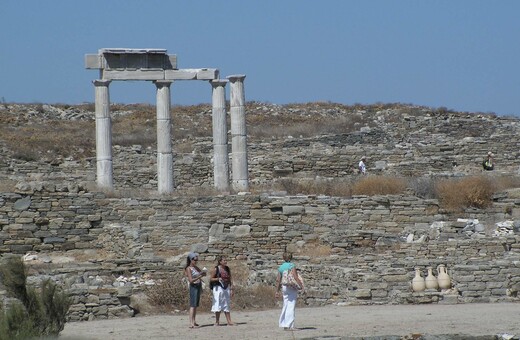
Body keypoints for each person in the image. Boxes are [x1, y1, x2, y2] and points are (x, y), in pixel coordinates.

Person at [275, 252, 304, 331]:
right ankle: (290, 325)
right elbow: (295, 276)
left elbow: (278, 280)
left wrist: (277, 291)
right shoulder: (292, 266)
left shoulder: (281, 267)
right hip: (291, 286)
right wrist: (301, 286)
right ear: (291, 257)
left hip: (284, 286)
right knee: (291, 305)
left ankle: (284, 324)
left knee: (286, 305)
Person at [209, 256, 235, 326]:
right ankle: (217, 321)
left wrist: (231, 288)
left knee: (227, 303)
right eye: (224, 260)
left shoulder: (227, 269)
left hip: (226, 288)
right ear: (220, 262)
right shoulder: (216, 269)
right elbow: (211, 279)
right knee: (218, 303)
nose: (225, 261)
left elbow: (230, 279)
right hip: (218, 288)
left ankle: (229, 321)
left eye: (226, 260)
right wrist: (218, 279)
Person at [184, 252, 206, 328]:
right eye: (195, 260)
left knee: (195, 305)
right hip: (193, 286)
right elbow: (191, 280)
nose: (196, 261)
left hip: (198, 285)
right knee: (192, 305)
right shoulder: (188, 268)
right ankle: (191, 323)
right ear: (191, 260)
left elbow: (201, 273)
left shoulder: (196, 268)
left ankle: (194, 321)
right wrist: (199, 277)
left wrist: (203, 273)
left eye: (197, 260)